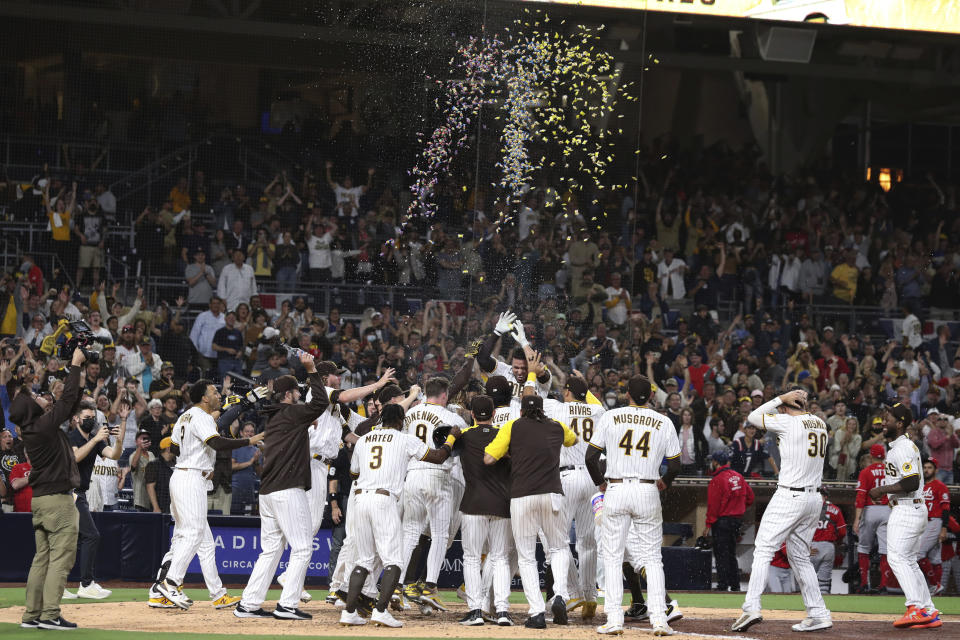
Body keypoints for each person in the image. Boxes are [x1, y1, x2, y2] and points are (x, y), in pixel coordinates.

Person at [338, 403, 458, 629]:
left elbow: (354, 472)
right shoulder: (404, 438)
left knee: (363, 560)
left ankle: (349, 612)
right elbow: (438, 457)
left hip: (361, 498)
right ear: (401, 420)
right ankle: (381, 612)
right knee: (394, 560)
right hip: (384, 499)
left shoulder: (364, 439)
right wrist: (451, 438)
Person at [235, 354, 333, 620]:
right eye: (297, 392)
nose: (299, 395)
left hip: (267, 491)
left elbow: (302, 416)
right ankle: (287, 605)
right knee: (302, 548)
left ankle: (249, 604)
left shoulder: (276, 415)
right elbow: (322, 402)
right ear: (289, 394)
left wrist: (303, 421)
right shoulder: (291, 412)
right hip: (287, 490)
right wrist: (312, 370)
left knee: (271, 550)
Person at [153, 379, 263, 610]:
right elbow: (217, 443)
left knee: (204, 542)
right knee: (191, 535)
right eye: (214, 392)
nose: (218, 395)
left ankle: (217, 593)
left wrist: (195, 455)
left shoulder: (185, 416)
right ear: (204, 397)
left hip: (186, 475)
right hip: (191, 478)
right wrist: (248, 440)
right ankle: (169, 584)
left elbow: (173, 448)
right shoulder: (201, 417)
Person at [586, 374, 681, 636]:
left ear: (627, 393)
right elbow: (675, 465)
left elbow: (591, 456)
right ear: (651, 395)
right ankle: (660, 620)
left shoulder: (610, 416)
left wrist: (600, 483)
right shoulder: (664, 421)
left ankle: (615, 619)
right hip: (648, 488)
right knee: (652, 559)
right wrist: (665, 482)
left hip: (616, 487)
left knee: (614, 558)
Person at [732, 388, 833, 633]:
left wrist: (780, 399)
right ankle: (818, 613)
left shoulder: (788, 421)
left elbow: (754, 418)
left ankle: (751, 606)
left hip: (790, 494)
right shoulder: (820, 422)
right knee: (799, 557)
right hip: (813, 498)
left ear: (787, 406)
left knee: (764, 548)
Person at [484, 389, 577, 629]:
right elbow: (573, 439)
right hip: (552, 493)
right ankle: (559, 595)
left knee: (526, 557)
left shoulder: (512, 426)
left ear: (522, 410)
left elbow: (488, 459)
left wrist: (511, 454)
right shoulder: (556, 426)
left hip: (522, 495)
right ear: (542, 410)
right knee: (558, 547)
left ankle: (536, 612)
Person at [13, 346, 86, 630]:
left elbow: (69, 403)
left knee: (41, 559)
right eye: (35, 398)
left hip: (41, 501)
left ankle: (32, 615)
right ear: (33, 409)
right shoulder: (43, 427)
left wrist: (76, 378)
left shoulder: (34, 427)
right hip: (57, 502)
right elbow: (66, 403)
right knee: (61, 559)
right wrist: (76, 365)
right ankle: (50, 614)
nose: (39, 398)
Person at [867, 404, 942, 629]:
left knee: (897, 558)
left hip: (907, 508)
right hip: (912, 508)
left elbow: (911, 482)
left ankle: (915, 608)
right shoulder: (901, 446)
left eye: (887, 418)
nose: (883, 421)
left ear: (899, 423)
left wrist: (881, 490)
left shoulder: (903, 448)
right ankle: (928, 610)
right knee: (909, 561)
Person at [398, 376, 467, 610]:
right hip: (438, 475)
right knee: (439, 534)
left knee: (409, 534)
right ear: (445, 395)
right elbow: (464, 446)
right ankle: (430, 586)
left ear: (426, 393)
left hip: (412, 474)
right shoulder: (452, 417)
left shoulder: (410, 414)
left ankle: (397, 587)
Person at [543, 373, 606, 619]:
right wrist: (584, 386)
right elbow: (596, 404)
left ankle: (573, 591)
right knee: (588, 541)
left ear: (568, 392)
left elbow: (530, 398)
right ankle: (590, 596)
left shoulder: (558, 409)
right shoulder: (598, 412)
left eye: (565, 390)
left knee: (558, 540)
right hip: (592, 478)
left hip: (567, 477)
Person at [456, 395, 513, 627]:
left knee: (471, 558)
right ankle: (502, 611)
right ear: (494, 415)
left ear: (471, 415)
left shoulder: (464, 437)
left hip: (473, 504)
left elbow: (443, 450)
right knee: (500, 558)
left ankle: (475, 610)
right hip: (502, 503)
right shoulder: (505, 435)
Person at [67, 399, 127, 598]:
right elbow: (75, 458)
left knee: (68, 540)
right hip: (68, 493)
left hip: (79, 493)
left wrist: (118, 439)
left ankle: (59, 586)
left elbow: (114, 454)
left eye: (93, 418)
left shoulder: (95, 439)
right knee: (91, 535)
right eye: (86, 418)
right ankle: (86, 584)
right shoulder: (71, 436)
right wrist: (94, 440)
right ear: (76, 419)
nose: (90, 421)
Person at [705, 449, 754, 592]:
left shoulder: (717, 480)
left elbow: (713, 506)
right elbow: (750, 498)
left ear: (715, 462)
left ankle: (722, 584)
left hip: (722, 521)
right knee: (731, 553)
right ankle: (735, 584)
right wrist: (738, 508)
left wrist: (708, 524)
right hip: (736, 521)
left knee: (721, 554)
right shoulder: (739, 476)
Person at [852, 443, 890, 593]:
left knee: (863, 548)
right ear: (884, 456)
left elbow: (861, 496)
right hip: (887, 510)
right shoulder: (891, 471)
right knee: (885, 550)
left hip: (870, 510)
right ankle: (884, 585)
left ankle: (863, 583)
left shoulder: (866, 471)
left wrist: (857, 519)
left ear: (871, 455)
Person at [918, 459, 951, 596]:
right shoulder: (921, 487)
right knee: (934, 558)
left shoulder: (940, 486)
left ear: (936, 470)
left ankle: (933, 584)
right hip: (923, 523)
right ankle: (937, 591)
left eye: (930, 467)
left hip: (934, 522)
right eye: (925, 467)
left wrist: (944, 528)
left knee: (918, 553)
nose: (926, 470)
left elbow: (946, 508)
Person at [810, 489, 847, 594]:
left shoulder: (807, 509)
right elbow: (842, 532)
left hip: (812, 546)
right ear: (826, 496)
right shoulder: (835, 509)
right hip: (828, 546)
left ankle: (805, 602)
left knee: (807, 578)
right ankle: (824, 602)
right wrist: (837, 542)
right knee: (824, 581)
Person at [230, 423, 261, 515]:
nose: (249, 434)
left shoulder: (256, 451)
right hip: (235, 488)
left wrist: (256, 462)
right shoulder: (235, 447)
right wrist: (250, 462)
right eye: (247, 431)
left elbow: (259, 473)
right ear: (241, 433)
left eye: (252, 432)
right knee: (234, 517)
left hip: (249, 489)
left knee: (248, 518)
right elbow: (232, 466)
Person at [145, 437, 176, 514]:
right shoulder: (153, 465)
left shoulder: (178, 464)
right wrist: (156, 508)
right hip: (161, 508)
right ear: (168, 449)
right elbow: (150, 487)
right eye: (176, 447)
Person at [128, 429, 156, 512]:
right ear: (136, 442)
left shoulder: (151, 454)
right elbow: (133, 466)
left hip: (152, 498)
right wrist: (140, 448)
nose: (145, 440)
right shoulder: (133, 455)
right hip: (140, 500)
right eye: (142, 438)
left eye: (147, 438)